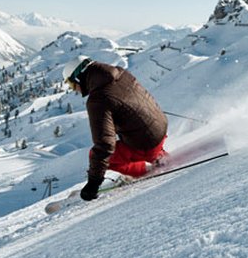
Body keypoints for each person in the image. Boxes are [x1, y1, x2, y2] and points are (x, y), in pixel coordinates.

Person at [62, 56, 168, 201]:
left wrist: (94, 183)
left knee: (97, 155)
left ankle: (146, 171)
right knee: (136, 138)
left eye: (72, 85)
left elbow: (104, 145)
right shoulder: (120, 73)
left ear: (79, 78)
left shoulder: (98, 99)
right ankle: (159, 157)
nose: (74, 90)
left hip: (146, 142)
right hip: (160, 126)